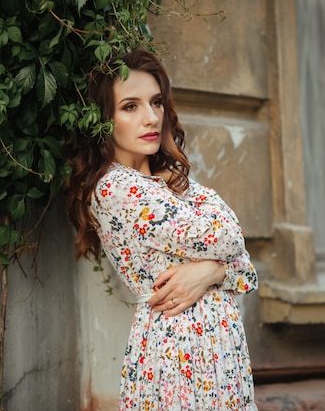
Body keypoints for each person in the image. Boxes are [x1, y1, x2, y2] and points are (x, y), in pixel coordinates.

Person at [65, 49, 258, 411]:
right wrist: (221, 266)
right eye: (130, 107)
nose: (151, 118)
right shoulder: (115, 188)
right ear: (105, 120)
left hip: (220, 355)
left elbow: (247, 272)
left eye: (156, 102)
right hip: (178, 353)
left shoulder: (168, 184)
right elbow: (230, 238)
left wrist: (212, 271)